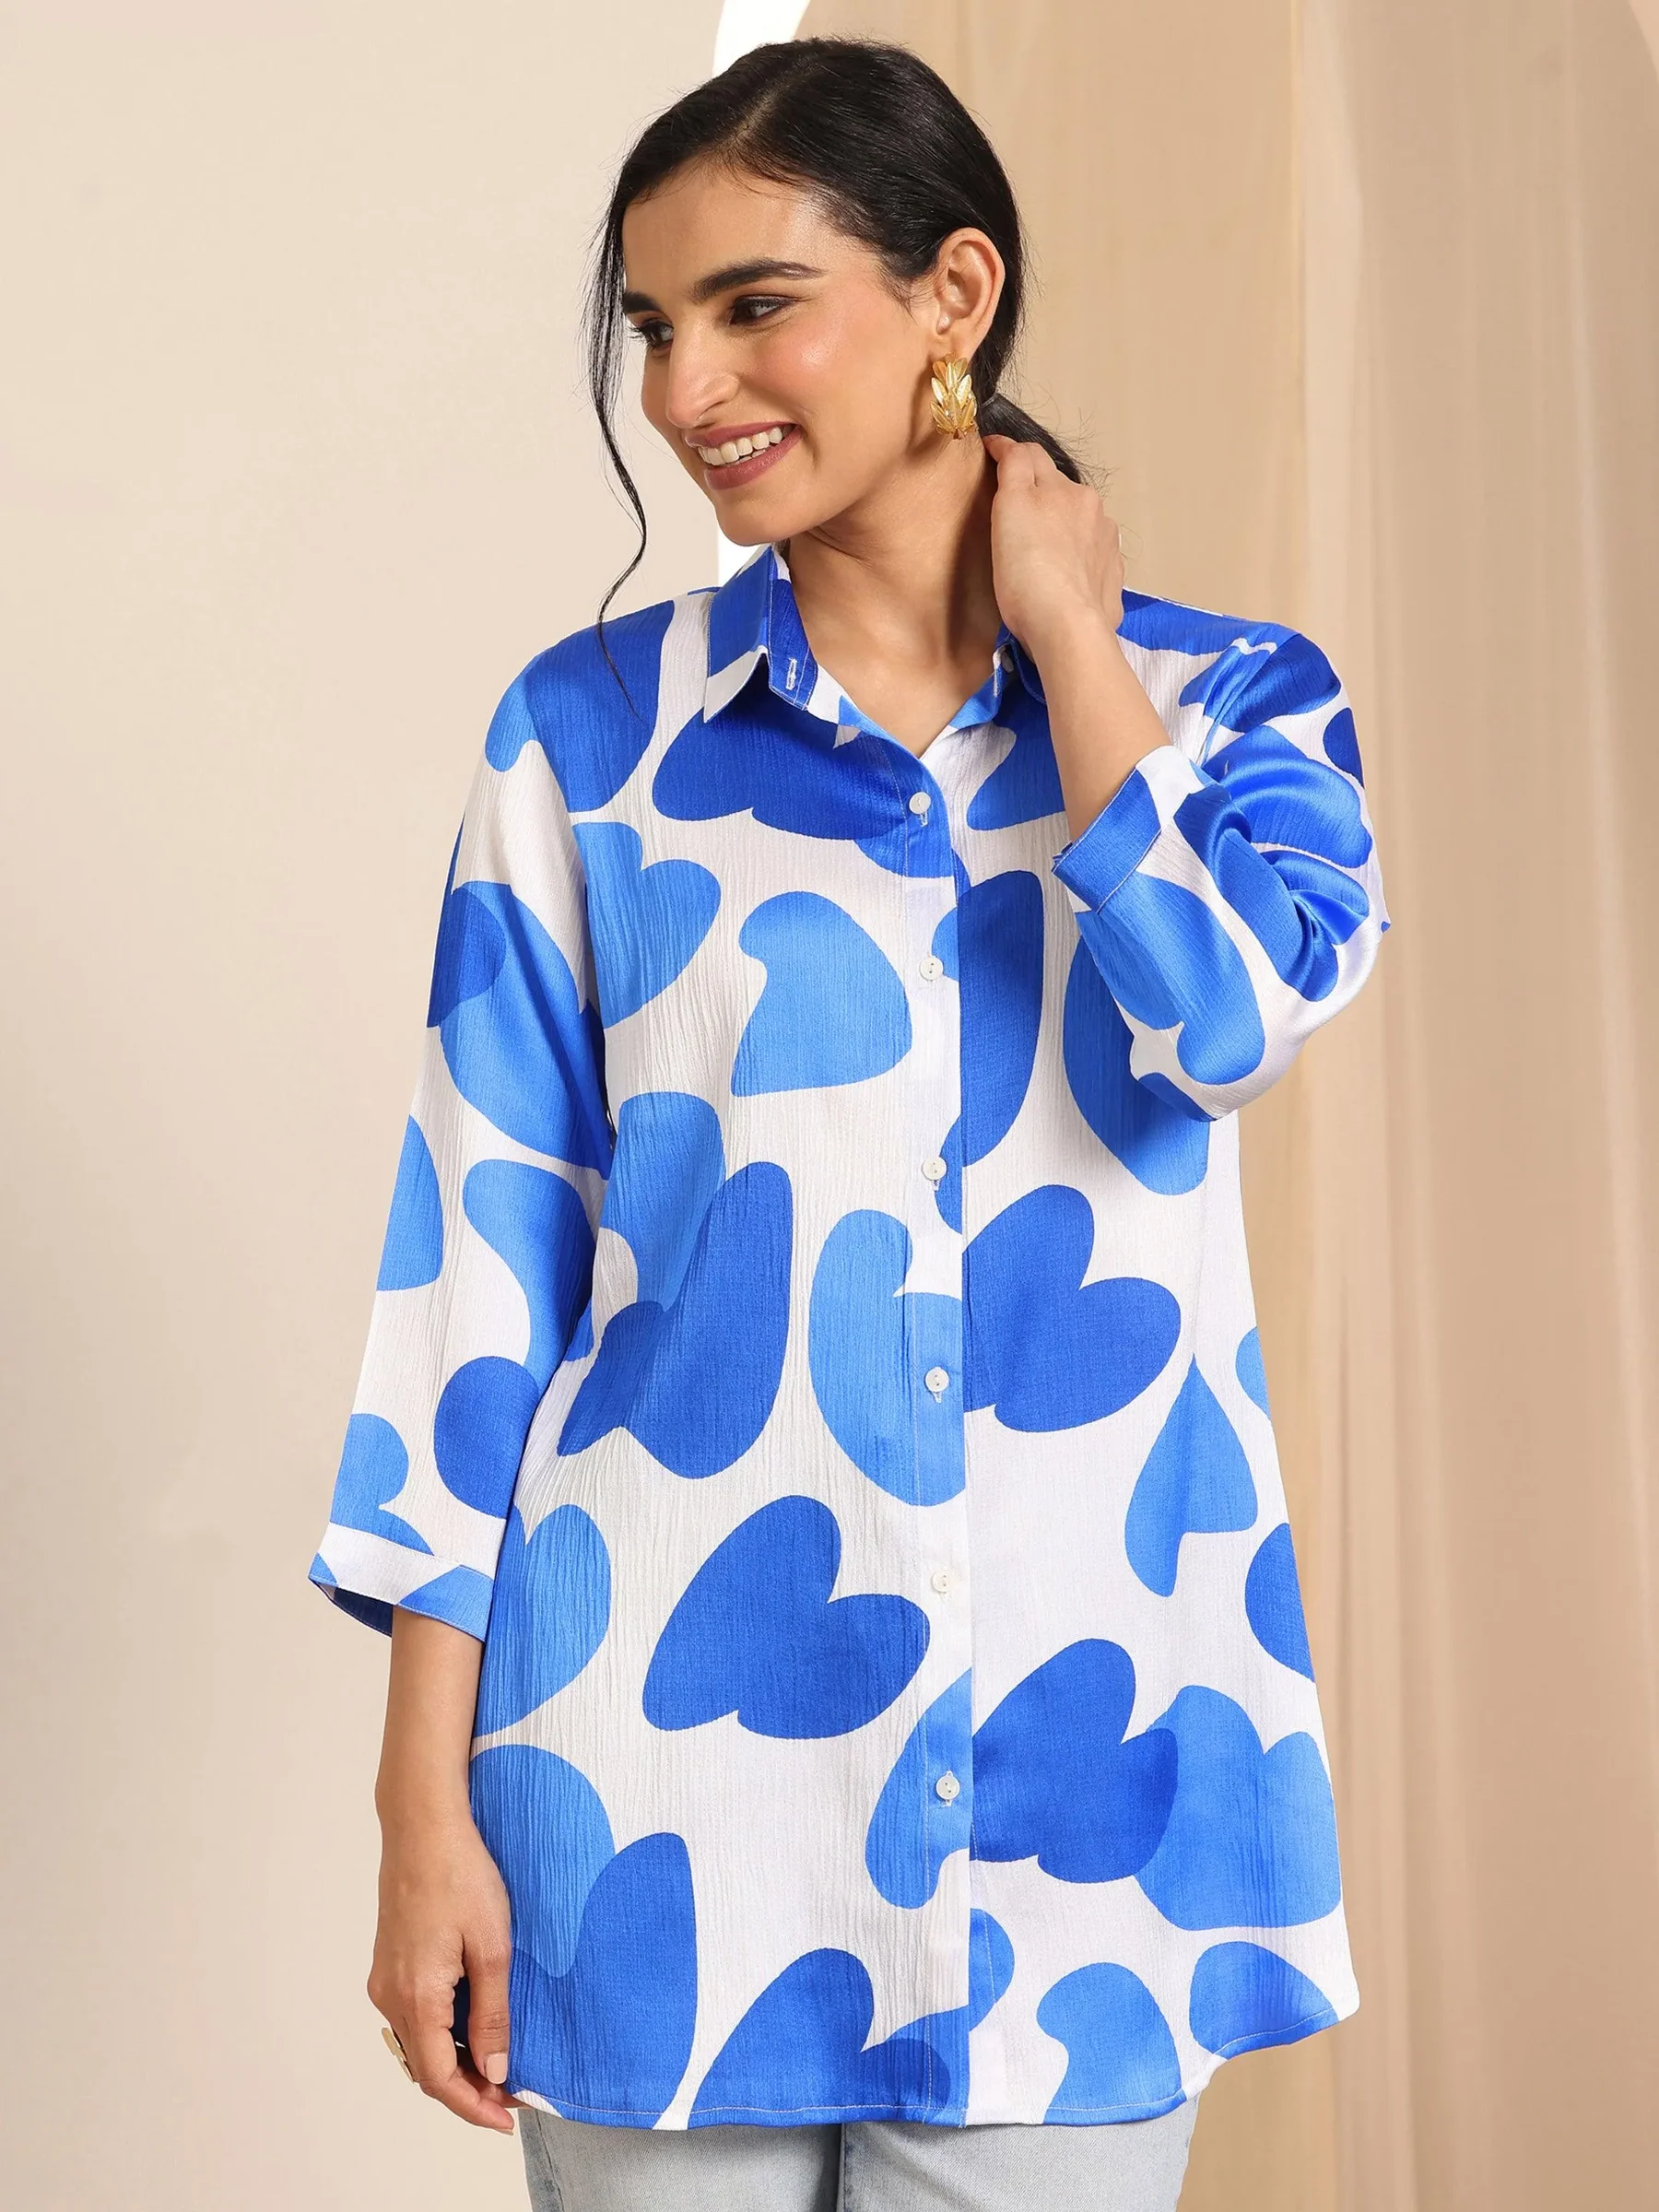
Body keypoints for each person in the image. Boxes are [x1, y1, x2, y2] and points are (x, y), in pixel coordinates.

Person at [310, 35, 1388, 2212]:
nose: (687, 386)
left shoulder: (1234, 706)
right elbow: (475, 1283)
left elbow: (1226, 1028)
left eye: (754, 305)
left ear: (951, 295)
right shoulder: (586, 741)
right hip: (653, 1796)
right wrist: (422, 1808)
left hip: (1087, 1829)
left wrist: (1073, 642)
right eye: (653, 325)